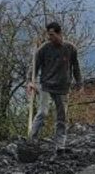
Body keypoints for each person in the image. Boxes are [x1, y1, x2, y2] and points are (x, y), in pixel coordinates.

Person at [27, 22, 82, 151]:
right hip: (46, 85)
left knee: (61, 117)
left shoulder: (70, 49)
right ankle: (31, 140)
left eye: (52, 35)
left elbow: (76, 67)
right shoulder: (44, 49)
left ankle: (60, 145)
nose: (49, 38)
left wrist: (79, 83)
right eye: (48, 35)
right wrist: (30, 81)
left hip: (62, 88)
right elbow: (34, 66)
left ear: (59, 33)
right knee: (42, 112)